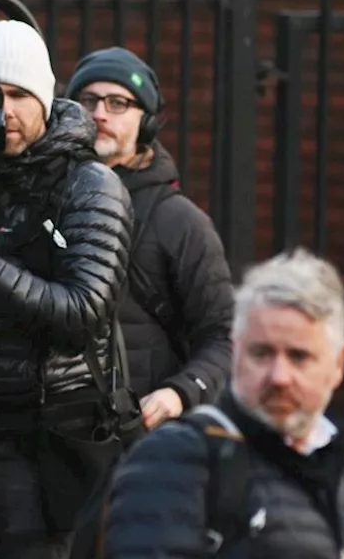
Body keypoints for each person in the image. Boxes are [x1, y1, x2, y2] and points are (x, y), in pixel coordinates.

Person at [0, 20, 134, 558]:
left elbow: (83, 311)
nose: (4, 112)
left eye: (17, 95)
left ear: (44, 96)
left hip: (45, 441)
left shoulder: (90, 185)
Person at [104, 248, 344, 557]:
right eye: (261, 353)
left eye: (299, 356)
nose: (279, 377)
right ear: (236, 352)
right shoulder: (176, 460)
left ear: (338, 364)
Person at [65, 46, 233, 430]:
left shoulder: (180, 221)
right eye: (88, 100)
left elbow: (223, 336)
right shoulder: (42, 197)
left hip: (132, 435)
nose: (100, 113)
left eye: (118, 103)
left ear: (148, 122)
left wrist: (181, 392)